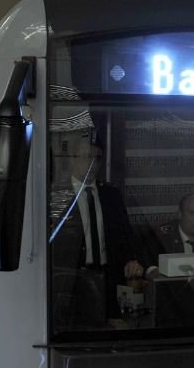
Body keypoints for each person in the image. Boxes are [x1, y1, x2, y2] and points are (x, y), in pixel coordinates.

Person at [51, 130, 138, 325]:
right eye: (85, 157)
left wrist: (132, 259)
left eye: (96, 158)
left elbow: (125, 233)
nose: (92, 163)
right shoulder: (58, 195)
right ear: (72, 159)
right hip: (73, 278)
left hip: (109, 276)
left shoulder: (111, 194)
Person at [126, 194, 194, 279]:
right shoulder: (161, 237)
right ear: (180, 214)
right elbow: (145, 263)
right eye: (193, 213)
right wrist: (154, 271)